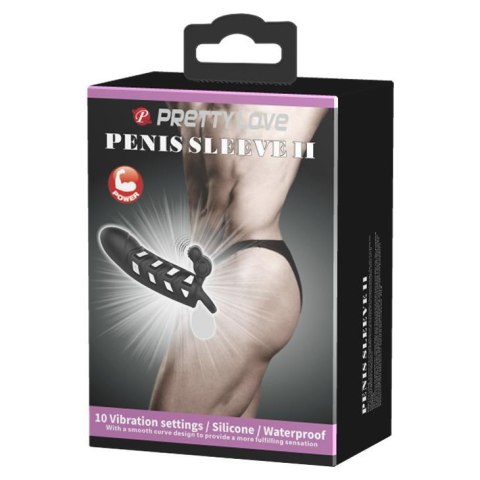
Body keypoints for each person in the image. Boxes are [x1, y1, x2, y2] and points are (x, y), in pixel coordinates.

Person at [150, 102, 326, 417]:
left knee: (168, 427)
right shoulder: (181, 91)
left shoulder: (294, 99)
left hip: (253, 265)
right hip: (209, 269)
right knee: (228, 440)